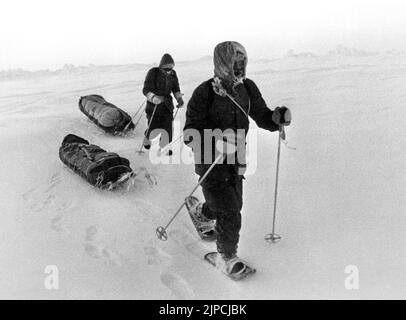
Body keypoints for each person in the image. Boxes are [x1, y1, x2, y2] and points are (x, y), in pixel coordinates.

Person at [183, 41, 291, 276]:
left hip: (237, 161)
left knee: (231, 204)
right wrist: (217, 141)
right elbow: (189, 134)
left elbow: (261, 115)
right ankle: (227, 257)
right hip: (210, 162)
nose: (240, 67)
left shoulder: (247, 88)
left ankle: (202, 214)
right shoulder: (204, 93)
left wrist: (276, 118)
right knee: (230, 211)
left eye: (242, 62)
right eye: (234, 63)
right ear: (222, 64)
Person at [142, 53, 184, 155]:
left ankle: (164, 147)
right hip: (154, 106)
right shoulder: (153, 72)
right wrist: (153, 97)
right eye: (166, 69)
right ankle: (147, 139)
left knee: (168, 127)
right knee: (154, 127)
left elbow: (175, 88)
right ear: (161, 66)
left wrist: (179, 99)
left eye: (170, 68)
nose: (168, 71)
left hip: (167, 105)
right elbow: (146, 89)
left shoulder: (173, 74)